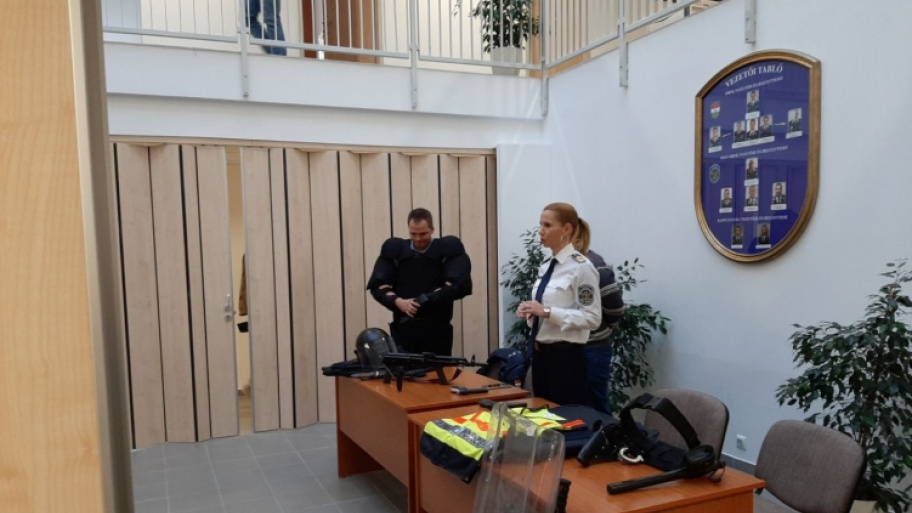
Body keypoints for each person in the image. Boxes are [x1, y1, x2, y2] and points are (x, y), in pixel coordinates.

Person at [517, 203, 601, 405]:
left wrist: (547, 311)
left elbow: (592, 318)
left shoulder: (581, 268)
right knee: (543, 415)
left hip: (566, 358)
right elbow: (543, 310)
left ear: (566, 229)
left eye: (547, 225)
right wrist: (530, 311)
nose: (541, 231)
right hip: (540, 355)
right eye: (540, 224)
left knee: (565, 418)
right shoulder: (546, 267)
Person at [367, 208, 472, 356]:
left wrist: (426, 299)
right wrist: (398, 302)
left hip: (437, 330)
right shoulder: (395, 251)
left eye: (423, 234)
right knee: (404, 369)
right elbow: (378, 286)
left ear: (432, 229)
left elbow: (458, 285)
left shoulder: (447, 249)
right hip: (404, 329)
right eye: (413, 234)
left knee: (437, 370)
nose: (417, 239)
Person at [570, 230, 625, 415]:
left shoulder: (594, 265)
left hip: (592, 348)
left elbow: (615, 308)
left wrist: (604, 328)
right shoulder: (557, 266)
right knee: (572, 408)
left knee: (594, 408)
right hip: (567, 349)